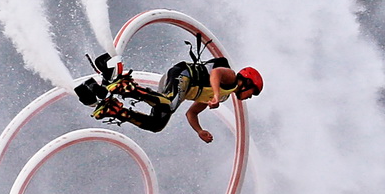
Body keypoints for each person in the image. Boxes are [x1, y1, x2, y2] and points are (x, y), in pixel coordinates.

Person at [75, 51, 263, 143]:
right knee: (169, 105)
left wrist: (199, 131)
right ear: (247, 82)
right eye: (252, 93)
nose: (249, 98)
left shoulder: (222, 97)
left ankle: (114, 109)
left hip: (177, 91)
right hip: (183, 75)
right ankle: (126, 87)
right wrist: (214, 94)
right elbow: (216, 74)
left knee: (157, 124)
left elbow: (192, 113)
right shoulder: (231, 78)